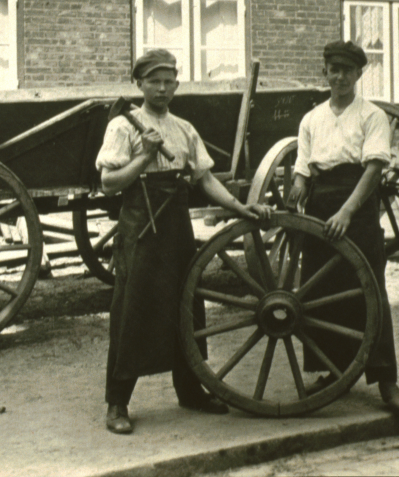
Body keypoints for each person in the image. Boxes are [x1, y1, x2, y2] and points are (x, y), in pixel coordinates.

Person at [95, 49, 271, 434]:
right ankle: (117, 402)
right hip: (140, 230)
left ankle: (190, 390)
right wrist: (144, 158)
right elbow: (108, 184)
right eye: (153, 82)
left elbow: (204, 179)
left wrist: (240, 208)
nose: (162, 89)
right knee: (132, 312)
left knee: (187, 306)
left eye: (168, 81)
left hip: (175, 230)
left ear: (176, 84)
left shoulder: (184, 129)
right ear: (139, 84)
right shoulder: (124, 127)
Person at [286, 40, 399, 417]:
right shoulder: (311, 118)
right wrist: (298, 183)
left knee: (369, 288)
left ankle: (385, 379)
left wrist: (346, 212)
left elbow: (373, 169)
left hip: (355, 206)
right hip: (319, 202)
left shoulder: (371, 116)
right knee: (322, 290)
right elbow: (303, 163)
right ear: (324, 73)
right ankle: (334, 370)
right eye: (333, 70)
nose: (339, 77)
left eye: (347, 70)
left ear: (359, 74)